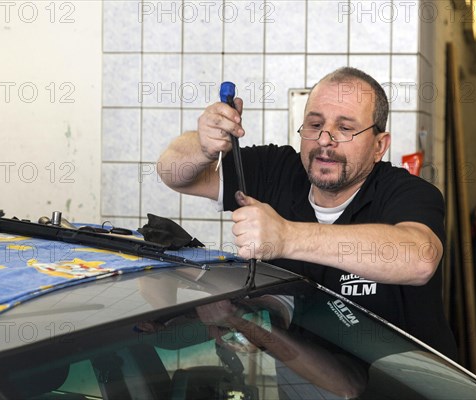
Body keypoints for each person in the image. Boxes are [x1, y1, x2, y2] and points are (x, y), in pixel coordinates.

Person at [157, 66, 457, 359]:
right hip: (310, 386)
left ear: (379, 145)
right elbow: (174, 172)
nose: (325, 140)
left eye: (345, 128)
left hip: (407, 390)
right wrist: (203, 145)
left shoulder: (407, 192)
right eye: (315, 125)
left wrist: (286, 236)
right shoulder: (275, 170)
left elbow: (419, 259)